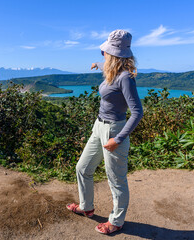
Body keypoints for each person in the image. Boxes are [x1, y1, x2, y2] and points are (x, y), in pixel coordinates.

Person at [66, 29, 143, 235]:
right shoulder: (113, 71)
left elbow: (137, 113)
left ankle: (116, 221)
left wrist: (117, 139)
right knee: (83, 167)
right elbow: (107, 66)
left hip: (114, 130)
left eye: (105, 52)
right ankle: (87, 207)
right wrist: (97, 64)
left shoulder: (125, 78)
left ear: (115, 55)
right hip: (98, 126)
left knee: (116, 180)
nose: (103, 54)